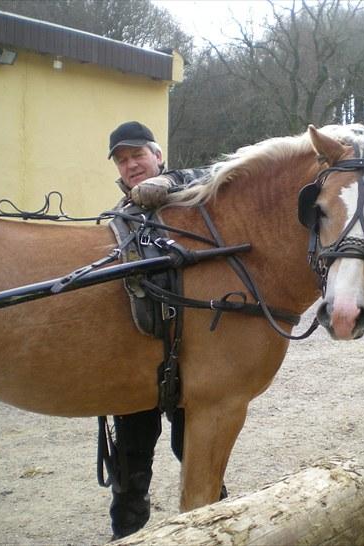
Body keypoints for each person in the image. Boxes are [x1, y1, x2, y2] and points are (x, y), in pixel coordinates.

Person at [105, 121, 217, 540]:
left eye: (137, 155)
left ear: (157, 155)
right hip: (138, 360)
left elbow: (213, 174)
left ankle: (216, 523)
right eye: (122, 159)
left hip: (194, 355)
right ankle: (127, 533)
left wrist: (168, 182)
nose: (131, 164)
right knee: (130, 462)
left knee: (195, 452)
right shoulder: (118, 218)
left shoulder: (191, 192)